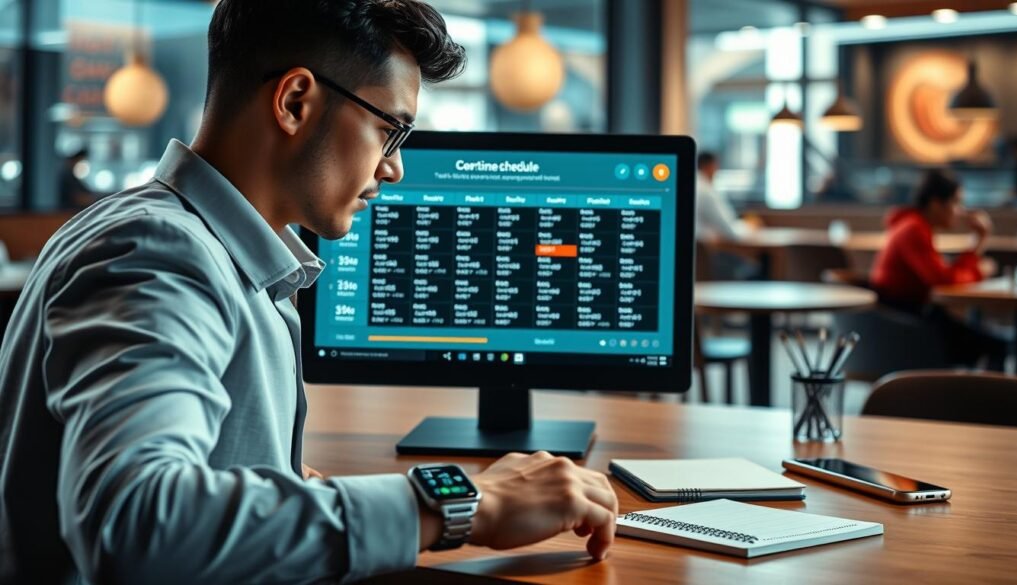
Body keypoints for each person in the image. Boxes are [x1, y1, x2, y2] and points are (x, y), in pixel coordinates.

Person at [0, 2, 618, 583]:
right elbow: (135, 524)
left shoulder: (203, 248)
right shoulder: (160, 255)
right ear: (296, 100)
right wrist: (461, 502)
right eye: (390, 130)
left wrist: (280, 487)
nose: (394, 167)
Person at [871, 168, 1007, 369]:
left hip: (909, 319)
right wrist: (979, 267)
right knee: (998, 345)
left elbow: (946, 277)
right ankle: (993, 398)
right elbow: (944, 283)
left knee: (993, 339)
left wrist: (977, 245)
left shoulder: (913, 225)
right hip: (908, 329)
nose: (960, 210)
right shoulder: (913, 230)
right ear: (935, 204)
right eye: (956, 202)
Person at [695, 151, 751, 242]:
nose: (717, 170)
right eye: (716, 166)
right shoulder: (706, 192)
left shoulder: (694, 185)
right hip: (708, 250)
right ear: (710, 166)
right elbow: (729, 231)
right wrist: (750, 228)